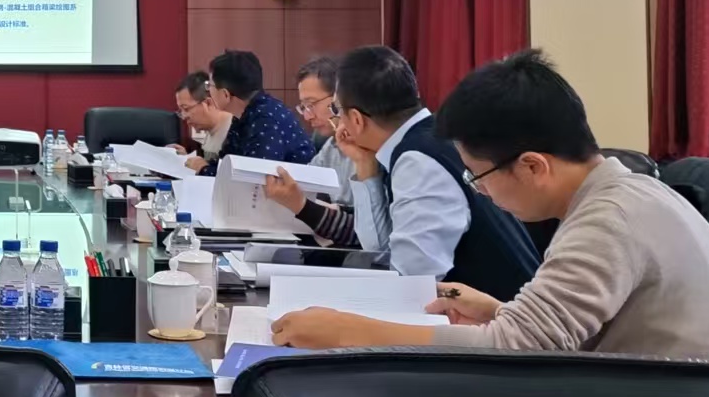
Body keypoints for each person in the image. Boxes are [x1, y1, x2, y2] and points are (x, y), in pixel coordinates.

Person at [273, 50, 709, 362]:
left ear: (532, 166)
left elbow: (512, 349)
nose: (479, 193)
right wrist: (499, 310)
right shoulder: (629, 194)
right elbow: (555, 335)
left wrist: (349, 331)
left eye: (478, 178)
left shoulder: (609, 220)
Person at [325, 44, 538, 300]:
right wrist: (364, 165)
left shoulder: (419, 163)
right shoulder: (434, 135)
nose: (338, 122)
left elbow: (411, 282)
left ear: (357, 120)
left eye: (336, 111)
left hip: (499, 318)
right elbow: (380, 251)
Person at [263, 55, 357, 247]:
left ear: (338, 100)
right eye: (304, 107)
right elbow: (307, 187)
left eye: (312, 105)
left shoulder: (369, 148)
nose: (307, 116)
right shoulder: (330, 146)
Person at [206, 49, 315, 170]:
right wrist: (205, 168)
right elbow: (226, 163)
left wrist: (203, 169)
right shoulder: (243, 115)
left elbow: (256, 175)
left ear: (225, 94)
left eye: (209, 85)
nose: (208, 91)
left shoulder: (266, 120)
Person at [170, 71, 231, 171]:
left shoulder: (234, 131)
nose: (184, 117)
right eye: (181, 111)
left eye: (186, 109)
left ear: (208, 102)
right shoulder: (208, 131)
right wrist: (185, 159)